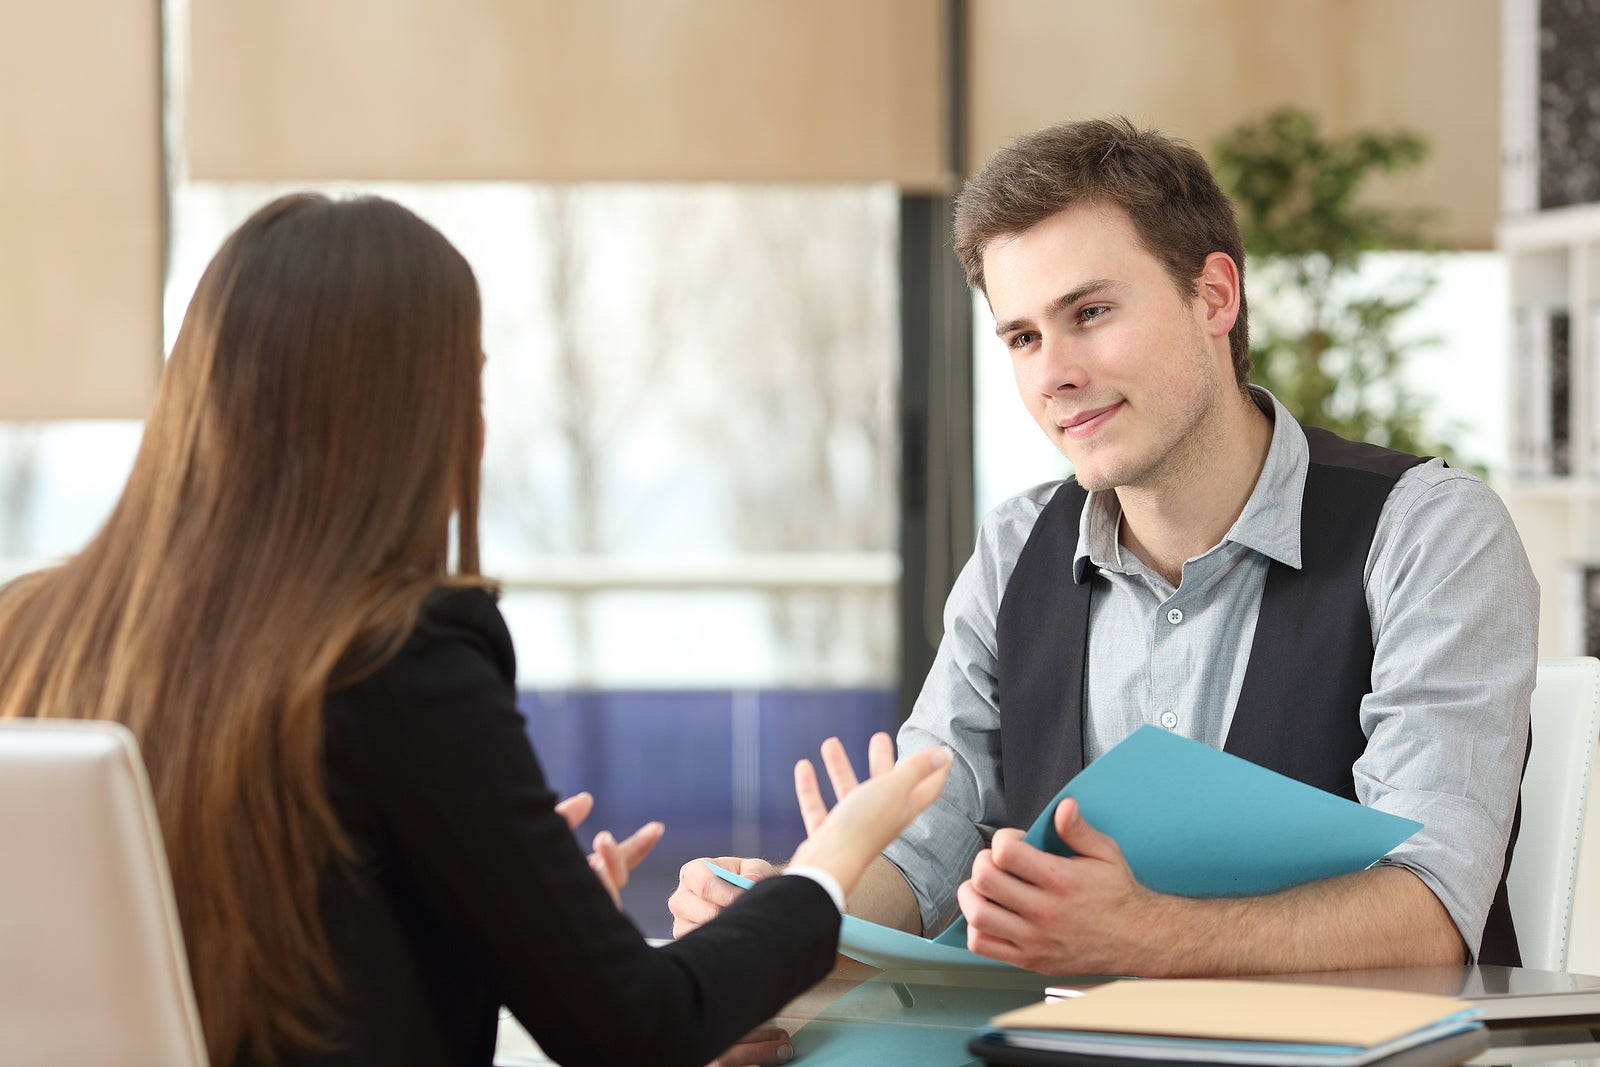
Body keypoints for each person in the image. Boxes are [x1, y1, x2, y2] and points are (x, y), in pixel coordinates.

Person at [0, 193, 952, 1067]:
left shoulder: (29, 632)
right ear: (409, 416)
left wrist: (512, 918)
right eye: (471, 385)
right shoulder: (396, 656)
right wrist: (831, 865)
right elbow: (638, 1030)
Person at [672, 116, 1537, 997]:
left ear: (1214, 297)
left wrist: (1145, 933)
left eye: (1089, 312)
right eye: (1022, 337)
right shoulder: (1015, 550)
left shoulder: (1429, 532)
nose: (1054, 374)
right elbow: (927, 842)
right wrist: (786, 920)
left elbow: (1432, 909)